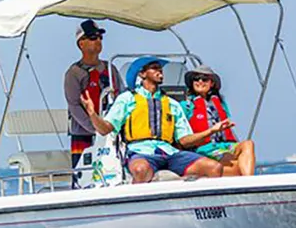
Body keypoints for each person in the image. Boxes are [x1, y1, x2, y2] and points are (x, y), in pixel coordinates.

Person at [79, 56, 228, 183]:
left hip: (170, 153)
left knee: (214, 167)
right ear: (142, 74)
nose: (160, 71)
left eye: (160, 68)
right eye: (154, 68)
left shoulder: (172, 104)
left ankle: (203, 210)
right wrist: (92, 114)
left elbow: (184, 140)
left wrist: (211, 131)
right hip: (141, 152)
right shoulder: (127, 99)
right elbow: (105, 129)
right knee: (140, 169)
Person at [63, 20, 122, 183]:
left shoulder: (110, 69)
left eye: (99, 37)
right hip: (83, 132)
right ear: (81, 43)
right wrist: (93, 127)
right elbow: (74, 105)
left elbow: (121, 96)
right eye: (92, 37)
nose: (97, 41)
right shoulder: (74, 73)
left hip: (110, 131)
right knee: (83, 176)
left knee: (113, 171)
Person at [180, 65, 256, 176]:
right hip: (204, 148)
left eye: (204, 79)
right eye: (196, 79)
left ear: (212, 83)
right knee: (234, 164)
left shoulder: (220, 104)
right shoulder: (186, 106)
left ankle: (249, 182)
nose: (200, 81)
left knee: (248, 144)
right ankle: (246, 182)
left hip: (225, 145)